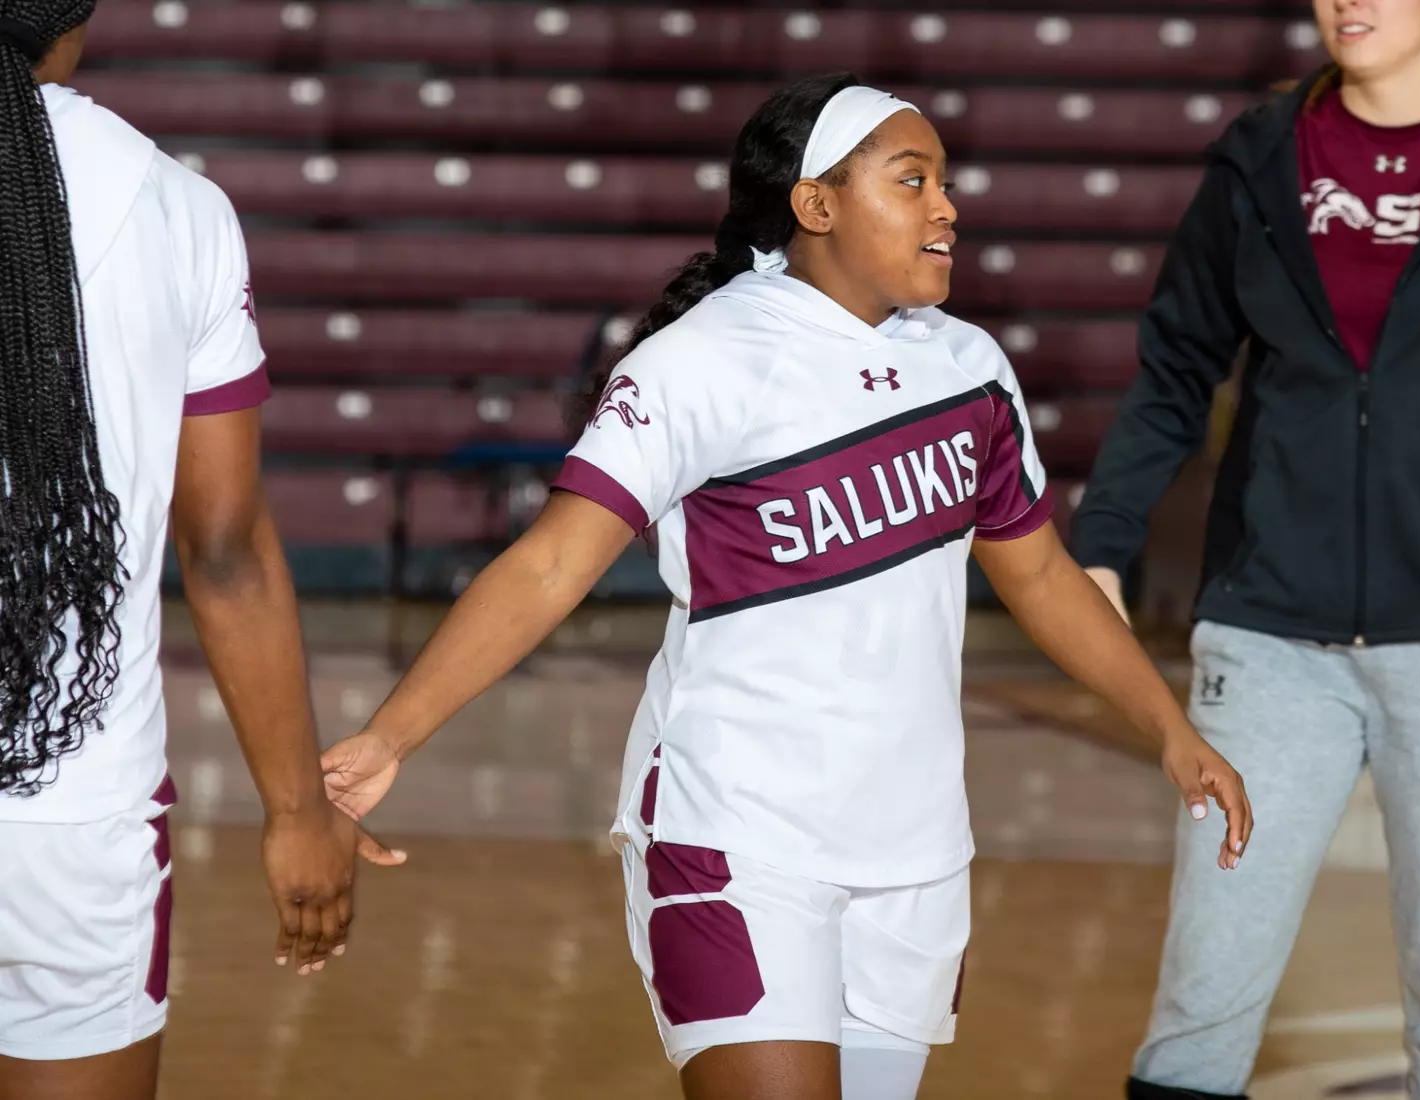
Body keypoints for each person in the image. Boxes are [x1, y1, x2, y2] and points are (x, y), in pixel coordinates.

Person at [319, 73, 1253, 1100]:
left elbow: (1034, 570)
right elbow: (549, 564)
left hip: (915, 847)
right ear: (815, 205)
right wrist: (389, 734)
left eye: (943, 182)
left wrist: (1165, 726)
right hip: (736, 832)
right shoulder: (700, 361)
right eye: (911, 181)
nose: (946, 207)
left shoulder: (968, 367)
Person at [1072, 0, 1420, 1096]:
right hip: (1266, 642)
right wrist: (1101, 539)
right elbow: (1173, 369)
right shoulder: (1258, 159)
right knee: (1200, 1005)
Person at [0, 4, 401, 1098]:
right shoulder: (176, 207)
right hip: (76, 808)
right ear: (76, 17)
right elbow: (223, 548)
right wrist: (294, 807)